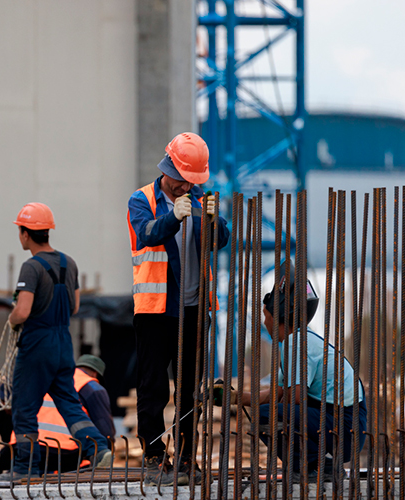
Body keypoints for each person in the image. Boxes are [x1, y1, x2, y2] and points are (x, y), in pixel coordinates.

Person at [126, 132, 229, 486]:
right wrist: (174, 218)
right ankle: (154, 457)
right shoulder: (142, 200)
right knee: (153, 387)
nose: (187, 186)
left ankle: (185, 458)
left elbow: (221, 240)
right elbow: (147, 234)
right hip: (154, 311)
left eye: (193, 181)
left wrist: (215, 221)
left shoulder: (201, 198)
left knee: (189, 390)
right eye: (184, 180)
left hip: (196, 309)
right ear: (169, 169)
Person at [223, 260, 367, 482]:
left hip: (345, 426)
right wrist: (233, 398)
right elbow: (277, 393)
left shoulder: (296, 343)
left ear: (277, 317)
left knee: (266, 415)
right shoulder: (297, 341)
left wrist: (270, 402)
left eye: (265, 315)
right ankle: (322, 466)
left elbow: (294, 398)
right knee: (270, 411)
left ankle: (308, 467)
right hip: (343, 423)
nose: (264, 322)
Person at [1, 203, 112, 481]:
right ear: (48, 231)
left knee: (25, 407)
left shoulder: (31, 267)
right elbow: (74, 307)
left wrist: (13, 318)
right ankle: (96, 447)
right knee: (69, 403)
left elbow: (23, 311)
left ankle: (26, 469)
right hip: (63, 343)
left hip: (37, 343)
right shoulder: (68, 262)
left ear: (25, 234)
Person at [0, 355, 114, 479]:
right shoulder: (93, 387)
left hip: (25, 446)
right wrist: (101, 459)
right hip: (63, 451)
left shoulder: (56, 376)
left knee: (2, 474)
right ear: (95, 373)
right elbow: (105, 431)